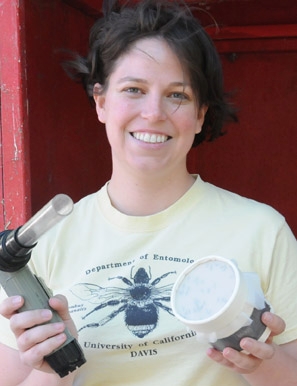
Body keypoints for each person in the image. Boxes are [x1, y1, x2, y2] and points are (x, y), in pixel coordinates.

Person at [0, 0, 296, 385]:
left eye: (178, 95)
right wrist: (54, 365)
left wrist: (263, 363)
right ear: (101, 102)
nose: (154, 112)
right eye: (134, 89)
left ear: (201, 114)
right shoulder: (41, 245)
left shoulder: (262, 230)